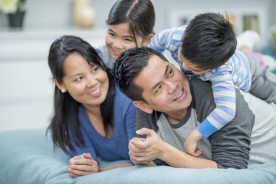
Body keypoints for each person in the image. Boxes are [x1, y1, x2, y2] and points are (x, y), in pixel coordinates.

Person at [113, 47, 276, 169]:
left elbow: (230, 172)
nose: (173, 87)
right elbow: (160, 166)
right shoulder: (148, 116)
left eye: (169, 72)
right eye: (158, 89)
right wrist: (143, 157)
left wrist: (163, 151)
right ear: (143, 105)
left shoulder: (217, 98)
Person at [149, 12, 276, 156]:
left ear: (213, 67)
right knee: (241, 50)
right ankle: (245, 43)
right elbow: (154, 45)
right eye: (181, 58)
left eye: (194, 69)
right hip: (230, 57)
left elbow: (226, 110)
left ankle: (249, 41)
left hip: (250, 72)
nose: (183, 68)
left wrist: (196, 134)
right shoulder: (174, 36)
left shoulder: (220, 72)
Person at [47, 35, 136, 177]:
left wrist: (100, 171)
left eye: (94, 69)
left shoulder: (129, 102)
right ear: (61, 85)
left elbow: (143, 161)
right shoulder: (72, 119)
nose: (92, 82)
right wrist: (85, 168)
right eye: (79, 78)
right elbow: (87, 166)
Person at [97, 0, 155, 69]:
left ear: (147, 40)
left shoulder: (153, 65)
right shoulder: (98, 57)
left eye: (127, 39)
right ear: (107, 24)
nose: (117, 45)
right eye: (112, 34)